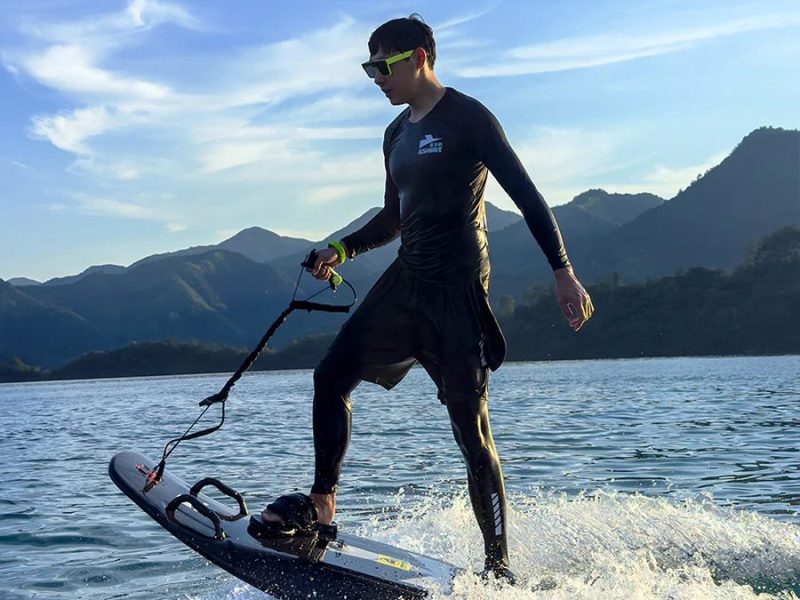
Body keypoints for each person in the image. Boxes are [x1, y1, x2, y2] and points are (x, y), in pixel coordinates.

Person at [260, 14, 594, 582]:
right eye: (368, 68)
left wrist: (563, 271)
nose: (374, 78)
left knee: (471, 431)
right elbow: (394, 215)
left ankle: (498, 568)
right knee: (330, 374)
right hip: (405, 282)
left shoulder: (469, 118)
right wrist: (342, 248)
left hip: (458, 291)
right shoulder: (395, 134)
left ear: (418, 58)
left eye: (382, 66)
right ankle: (322, 507)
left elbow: (529, 195)